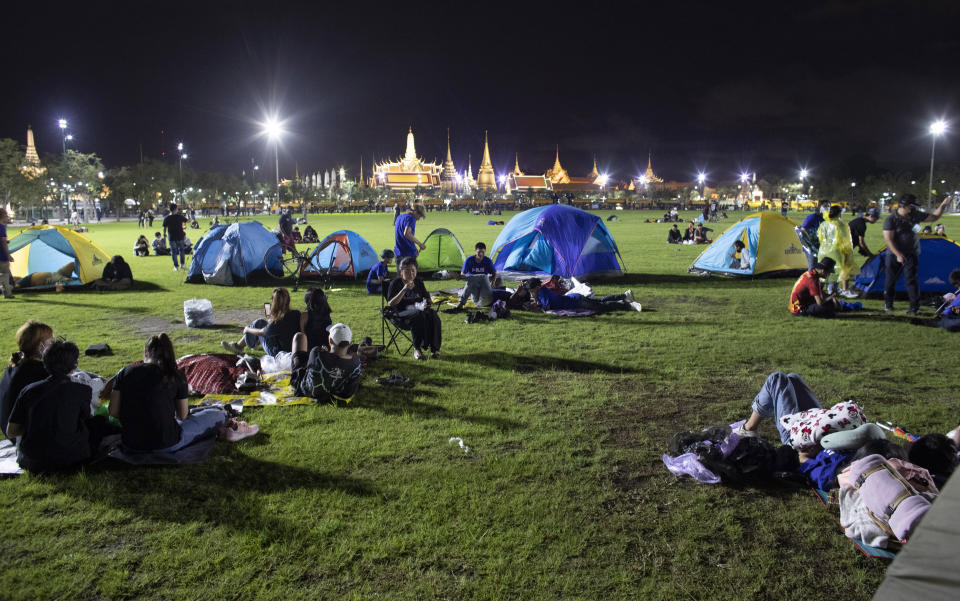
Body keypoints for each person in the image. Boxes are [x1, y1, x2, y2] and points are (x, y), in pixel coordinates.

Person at [110, 334, 257, 453]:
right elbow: (182, 416)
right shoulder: (175, 375)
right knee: (216, 414)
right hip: (166, 442)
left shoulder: (125, 372)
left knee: (200, 412)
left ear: (146, 353)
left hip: (130, 443)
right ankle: (229, 425)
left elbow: (114, 411)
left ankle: (224, 429)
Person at [5, 340, 101, 472]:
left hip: (32, 460)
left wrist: (37, 425)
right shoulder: (82, 390)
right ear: (75, 364)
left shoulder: (29, 390)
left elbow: (11, 431)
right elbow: (83, 421)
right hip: (72, 458)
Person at [883, 193, 950, 314]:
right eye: (912, 206)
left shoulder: (914, 215)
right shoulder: (891, 219)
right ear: (904, 205)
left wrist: (943, 205)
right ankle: (888, 304)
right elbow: (888, 239)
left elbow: (934, 217)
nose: (914, 208)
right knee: (890, 281)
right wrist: (898, 254)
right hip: (893, 255)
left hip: (911, 253)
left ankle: (914, 308)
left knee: (912, 280)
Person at [0, 321, 53, 437]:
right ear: (40, 346)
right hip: (23, 435)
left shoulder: (13, 366)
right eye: (50, 341)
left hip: (9, 429)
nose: (53, 344)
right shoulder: (40, 372)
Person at [289, 323, 363, 404]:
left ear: (330, 340)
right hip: (334, 391)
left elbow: (309, 366)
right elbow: (347, 393)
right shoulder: (356, 363)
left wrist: (325, 353)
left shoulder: (317, 353)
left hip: (305, 390)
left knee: (299, 336)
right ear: (350, 342)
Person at [386, 258, 442, 360]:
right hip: (400, 314)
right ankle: (417, 349)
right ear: (401, 271)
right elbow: (391, 303)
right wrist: (404, 289)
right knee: (418, 316)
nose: (410, 274)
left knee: (433, 314)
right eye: (407, 271)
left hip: (418, 311)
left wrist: (429, 302)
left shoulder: (418, 282)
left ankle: (435, 349)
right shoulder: (395, 283)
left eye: (413, 271)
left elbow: (427, 298)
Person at [221, 287, 301, 357]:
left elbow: (261, 332)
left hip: (278, 353)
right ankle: (242, 345)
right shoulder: (296, 313)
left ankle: (239, 347)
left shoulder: (278, 321)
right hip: (292, 347)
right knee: (261, 323)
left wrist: (247, 329)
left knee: (257, 324)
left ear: (274, 302)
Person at [788, 257, 860, 317]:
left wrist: (831, 296)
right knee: (828, 306)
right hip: (799, 309)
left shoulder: (811, 274)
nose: (829, 275)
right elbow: (820, 302)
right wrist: (832, 296)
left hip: (798, 305)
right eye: (829, 272)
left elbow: (821, 294)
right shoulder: (813, 280)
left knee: (831, 303)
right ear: (823, 271)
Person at [526, 278, 642, 313]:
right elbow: (542, 302)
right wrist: (535, 302)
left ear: (537, 288)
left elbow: (546, 307)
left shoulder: (542, 293)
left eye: (531, 290)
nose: (531, 293)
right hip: (576, 298)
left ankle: (628, 305)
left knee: (603, 306)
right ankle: (624, 296)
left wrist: (534, 307)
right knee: (600, 301)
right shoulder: (541, 292)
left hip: (577, 301)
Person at [817, 205, 859, 297]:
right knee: (836, 272)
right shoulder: (841, 224)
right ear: (839, 213)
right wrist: (848, 252)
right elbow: (846, 240)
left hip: (823, 250)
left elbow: (820, 237)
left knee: (822, 272)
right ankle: (832, 292)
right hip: (836, 251)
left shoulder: (823, 224)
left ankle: (818, 292)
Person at [455, 242, 496, 310]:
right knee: (471, 281)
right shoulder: (469, 260)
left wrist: (493, 282)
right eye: (479, 252)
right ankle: (461, 304)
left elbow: (494, 273)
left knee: (483, 276)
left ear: (485, 251)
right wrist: (468, 277)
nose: (481, 254)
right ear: (475, 251)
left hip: (486, 298)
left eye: (483, 252)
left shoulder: (487, 261)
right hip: (476, 300)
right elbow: (463, 273)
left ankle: (458, 277)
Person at [796, 201, 830, 271]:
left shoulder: (828, 219)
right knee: (812, 267)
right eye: (825, 206)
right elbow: (803, 231)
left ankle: (819, 281)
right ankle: (809, 281)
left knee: (823, 267)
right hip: (811, 247)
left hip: (823, 246)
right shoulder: (812, 217)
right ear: (819, 207)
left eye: (828, 206)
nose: (827, 208)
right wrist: (811, 243)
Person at [162, 203, 189, 271]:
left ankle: (176, 266)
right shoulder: (180, 216)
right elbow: (188, 221)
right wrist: (187, 214)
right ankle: (182, 264)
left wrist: (164, 234)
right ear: (176, 209)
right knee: (181, 251)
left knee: (174, 252)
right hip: (180, 236)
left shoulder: (167, 218)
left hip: (171, 237)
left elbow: (164, 227)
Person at [0, 208, 14, 299]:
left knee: (4, 276)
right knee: (4, 275)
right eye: (6, 215)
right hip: (2, 255)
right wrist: (8, 255)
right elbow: (3, 242)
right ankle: (7, 294)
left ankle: (8, 294)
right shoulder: (1, 227)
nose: (7, 217)